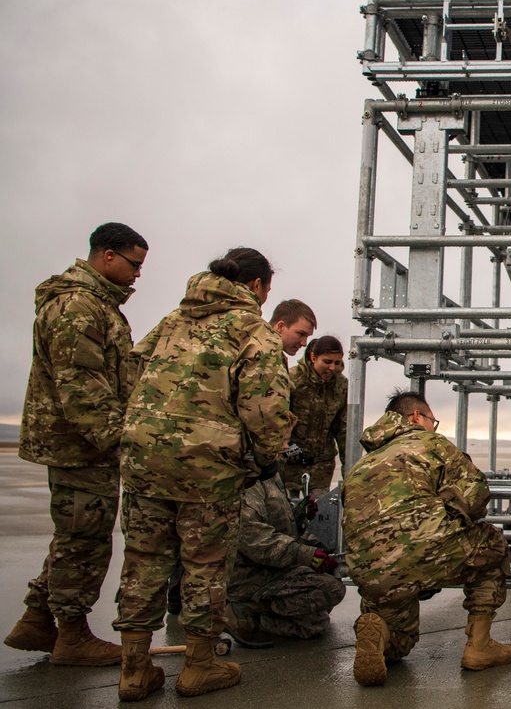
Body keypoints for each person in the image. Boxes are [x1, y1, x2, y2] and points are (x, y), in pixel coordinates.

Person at [112, 247, 294, 701]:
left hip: (143, 460)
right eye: (267, 290)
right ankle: (199, 664)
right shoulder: (253, 330)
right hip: (207, 470)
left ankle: (134, 668)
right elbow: (266, 408)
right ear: (256, 286)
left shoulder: (172, 320)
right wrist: (269, 456)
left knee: (143, 561)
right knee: (205, 566)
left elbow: (131, 371)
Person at [4, 222, 148, 667]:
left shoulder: (95, 304)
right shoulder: (77, 306)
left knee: (74, 534)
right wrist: (119, 444)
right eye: (134, 264)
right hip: (81, 446)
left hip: (80, 444)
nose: (139, 274)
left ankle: (36, 618)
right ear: (107, 255)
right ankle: (71, 634)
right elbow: (82, 389)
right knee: (84, 540)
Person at [343, 390, 511, 687]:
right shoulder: (431, 443)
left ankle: (378, 633)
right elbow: (476, 494)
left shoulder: (363, 464)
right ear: (415, 417)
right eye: (432, 421)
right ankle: (479, 646)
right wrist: (448, 517)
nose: (434, 427)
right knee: (493, 544)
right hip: (425, 551)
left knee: (400, 645)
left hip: (371, 572)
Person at [225, 460, 346, 647]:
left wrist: (299, 513)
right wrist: (305, 554)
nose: (286, 445)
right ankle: (245, 610)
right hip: (252, 575)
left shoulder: (269, 471)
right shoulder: (248, 481)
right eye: (281, 439)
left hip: (273, 565)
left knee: (315, 624)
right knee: (331, 589)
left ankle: (261, 618)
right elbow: (254, 539)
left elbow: (276, 523)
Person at [285, 335, 348, 498]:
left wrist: (350, 471)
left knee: (321, 515)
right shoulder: (292, 380)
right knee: (287, 514)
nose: (332, 368)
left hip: (321, 467)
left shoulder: (341, 386)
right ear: (313, 358)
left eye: (337, 363)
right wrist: (285, 444)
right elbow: (277, 417)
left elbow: (344, 431)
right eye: (327, 362)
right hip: (289, 464)